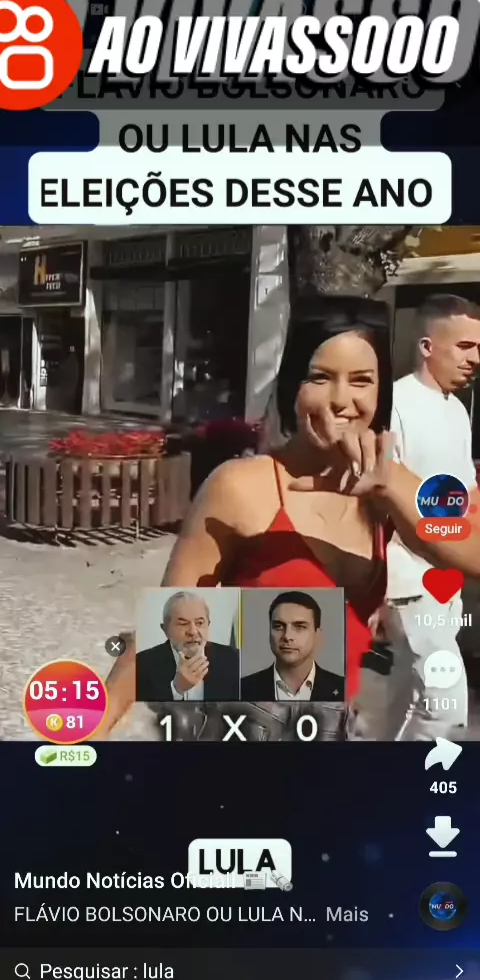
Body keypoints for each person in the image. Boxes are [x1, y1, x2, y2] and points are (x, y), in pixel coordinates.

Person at [98, 297, 480, 740]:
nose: (341, 401)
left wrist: (390, 485)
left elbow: (471, 554)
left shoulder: (385, 486)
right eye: (320, 377)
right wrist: (82, 740)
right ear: (292, 386)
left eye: (361, 380)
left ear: (381, 393)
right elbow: (159, 637)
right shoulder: (241, 486)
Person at [380, 294, 480, 740]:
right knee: (445, 701)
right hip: (406, 583)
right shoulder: (395, 404)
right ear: (426, 346)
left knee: (404, 700)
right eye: (464, 346)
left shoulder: (457, 408)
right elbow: (377, 499)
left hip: (446, 582)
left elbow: (465, 494)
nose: (475, 358)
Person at [240, 590, 345, 702]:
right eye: (278, 627)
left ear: (317, 635)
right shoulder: (241, 689)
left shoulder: (343, 689)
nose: (287, 636)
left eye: (300, 627)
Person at [136, 591, 240, 702]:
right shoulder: (140, 664)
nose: (193, 631)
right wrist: (177, 689)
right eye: (183, 624)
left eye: (199, 623)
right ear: (165, 629)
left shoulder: (236, 659)